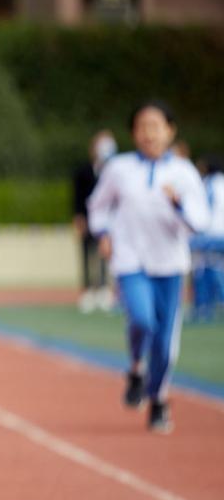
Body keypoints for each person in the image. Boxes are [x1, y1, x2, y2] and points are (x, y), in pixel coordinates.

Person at [88, 100, 209, 433]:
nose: (149, 133)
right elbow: (98, 205)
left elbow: (199, 220)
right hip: (131, 260)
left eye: (156, 126)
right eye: (142, 127)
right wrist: (103, 232)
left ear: (170, 131)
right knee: (142, 319)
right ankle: (136, 367)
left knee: (166, 341)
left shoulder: (183, 173)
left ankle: (157, 398)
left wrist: (178, 203)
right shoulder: (119, 169)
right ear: (133, 133)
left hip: (169, 263)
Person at [72, 130, 118, 313]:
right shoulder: (83, 171)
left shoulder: (116, 171)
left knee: (106, 255)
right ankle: (88, 290)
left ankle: (105, 290)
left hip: (109, 222)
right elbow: (77, 197)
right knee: (87, 254)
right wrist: (79, 217)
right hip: (88, 220)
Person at [190, 155, 224, 322]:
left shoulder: (209, 184)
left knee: (203, 268)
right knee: (217, 266)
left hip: (210, 234)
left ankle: (204, 307)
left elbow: (204, 211)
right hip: (221, 233)